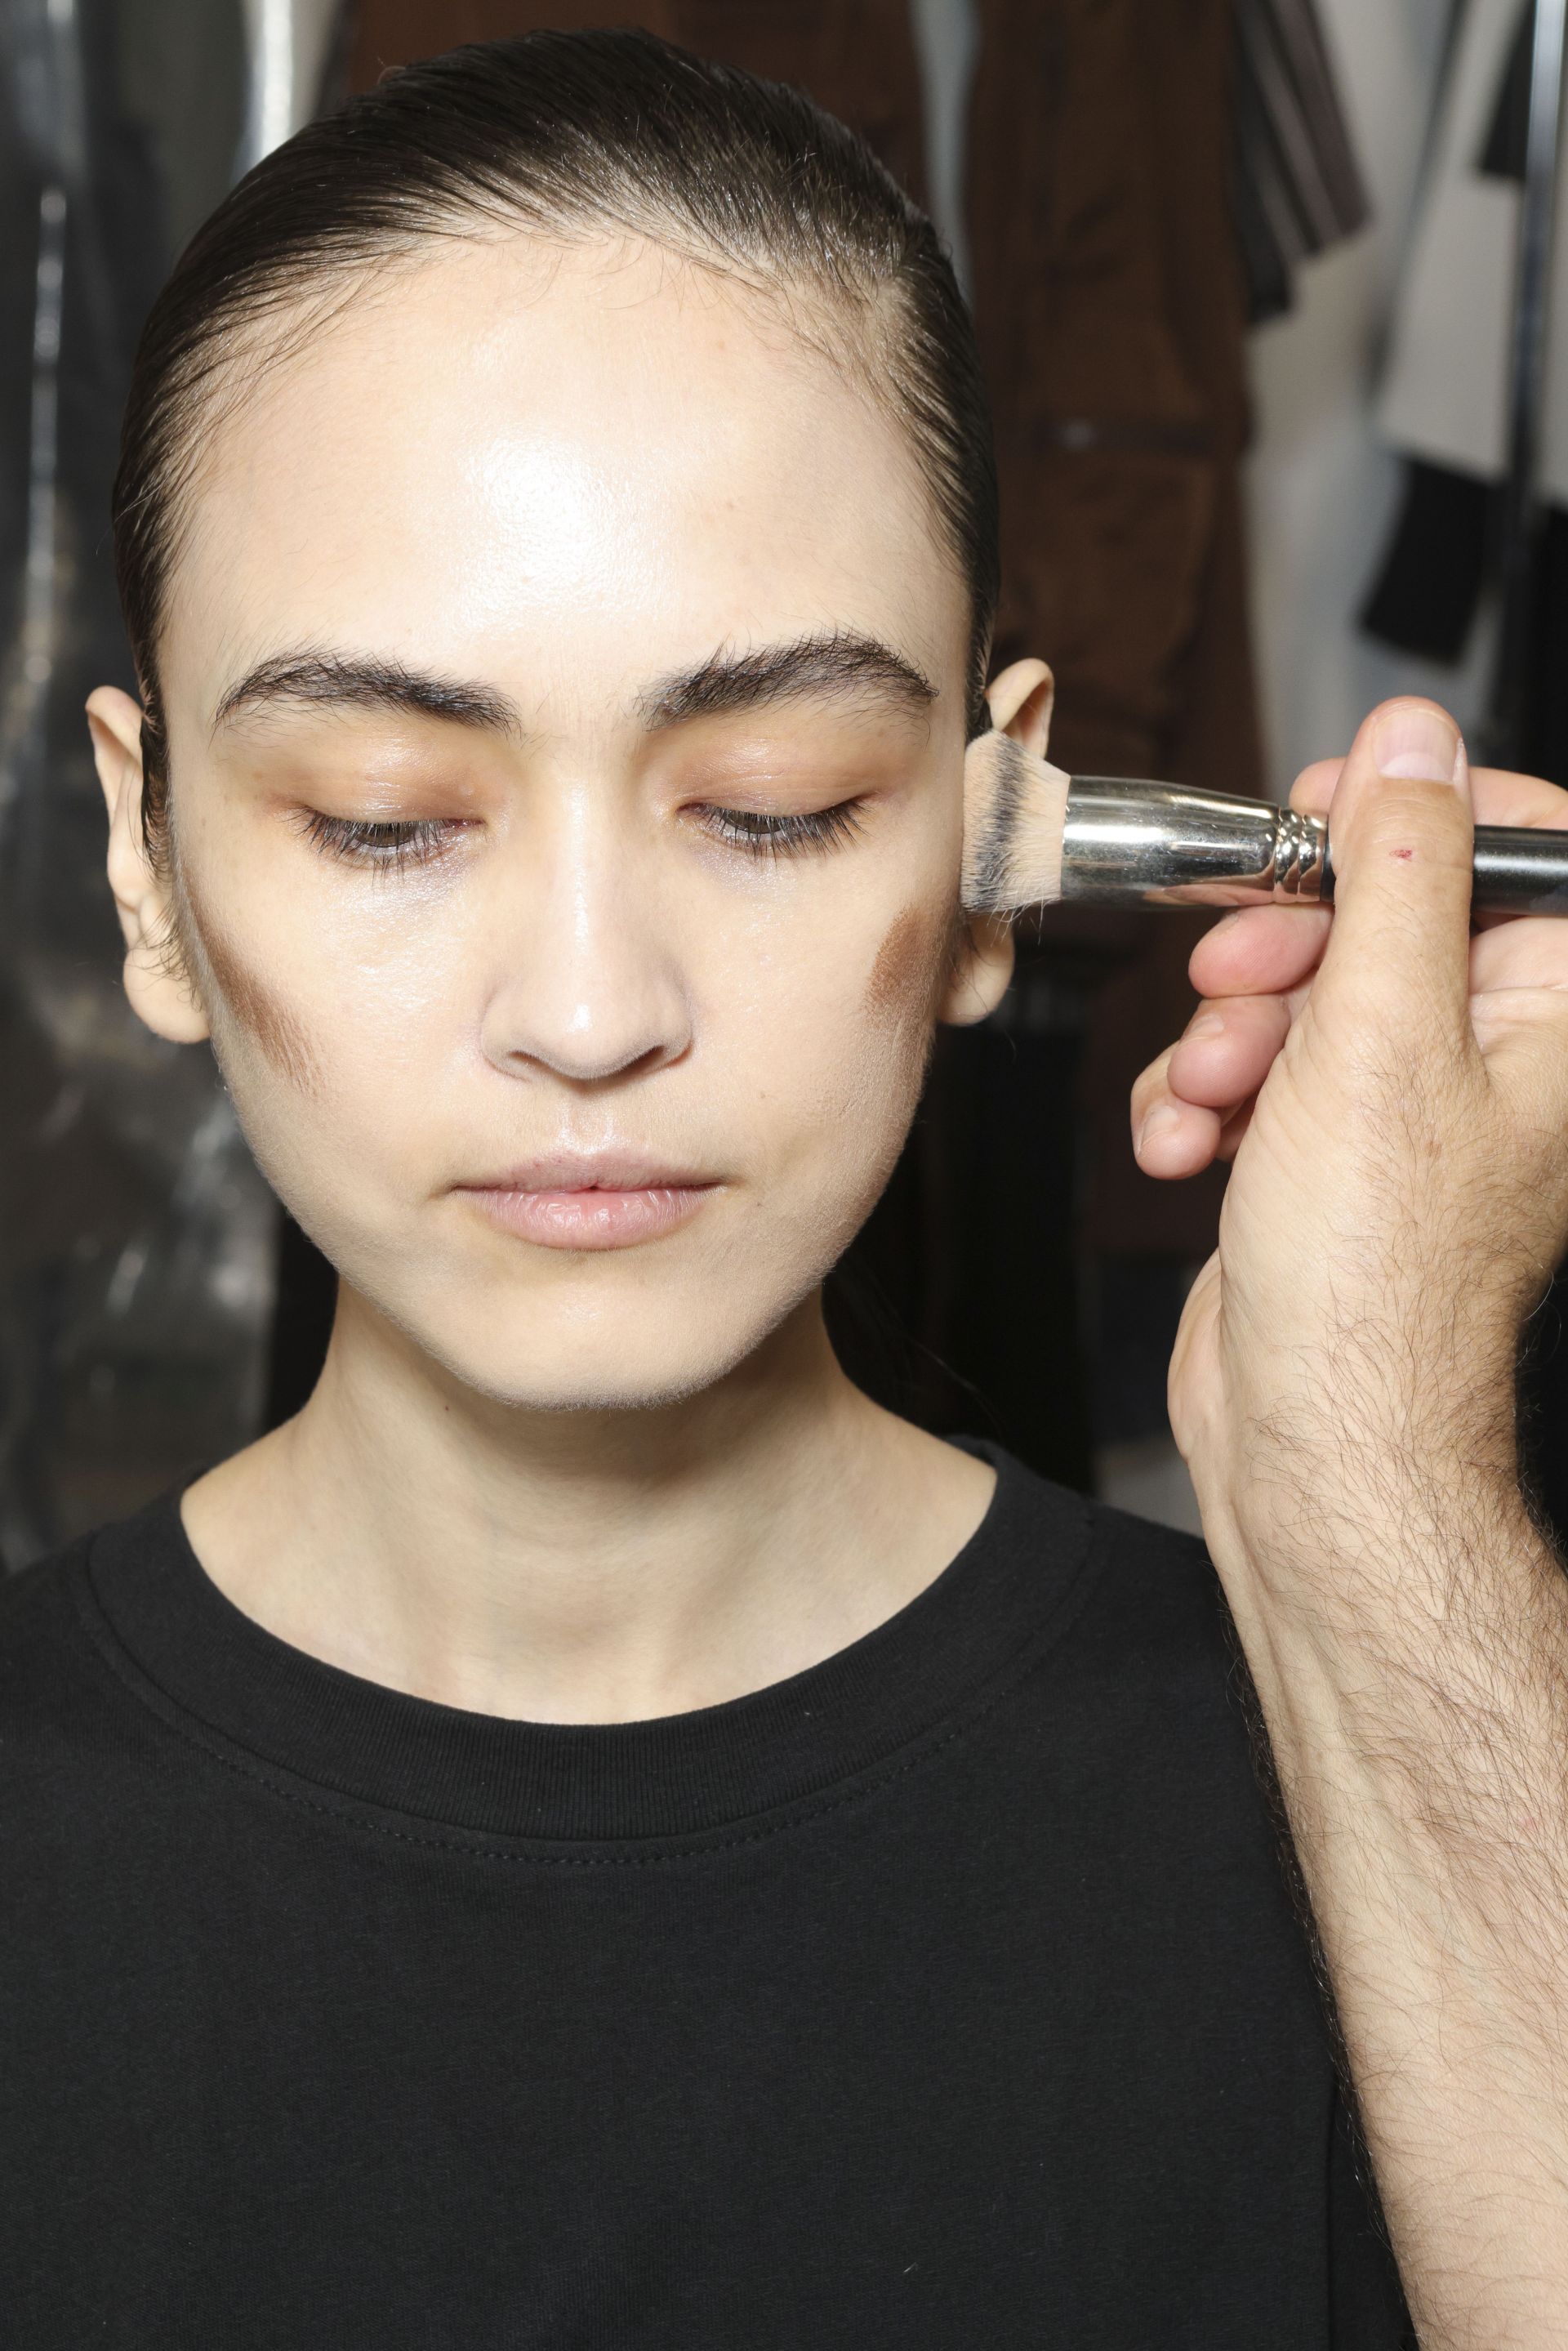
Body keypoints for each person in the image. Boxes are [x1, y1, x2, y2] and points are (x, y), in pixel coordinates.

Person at [5, 30, 1568, 2347]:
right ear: (145, 861)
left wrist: (1387, 1505)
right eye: (383, 817)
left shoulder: (1410, 1788)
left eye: (770, 807)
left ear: (986, 847)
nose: (590, 1005)